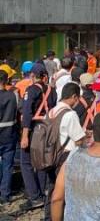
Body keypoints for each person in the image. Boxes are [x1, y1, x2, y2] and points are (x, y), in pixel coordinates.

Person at [43, 82, 86, 221]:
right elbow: (79, 140)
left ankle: (49, 216)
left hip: (50, 156)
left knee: (53, 190)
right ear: (74, 96)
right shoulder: (70, 114)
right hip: (66, 158)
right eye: (77, 98)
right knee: (68, 192)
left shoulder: (50, 112)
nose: (77, 102)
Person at [21, 62, 57, 209]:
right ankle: (42, 193)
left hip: (34, 128)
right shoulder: (52, 90)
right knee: (42, 162)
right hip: (47, 127)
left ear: (32, 76)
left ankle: (35, 196)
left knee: (26, 163)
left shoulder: (31, 90)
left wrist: (24, 135)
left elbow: (27, 113)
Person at [0, 70, 18, 206]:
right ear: (6, 81)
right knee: (8, 165)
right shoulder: (13, 95)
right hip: (9, 135)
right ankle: (5, 194)